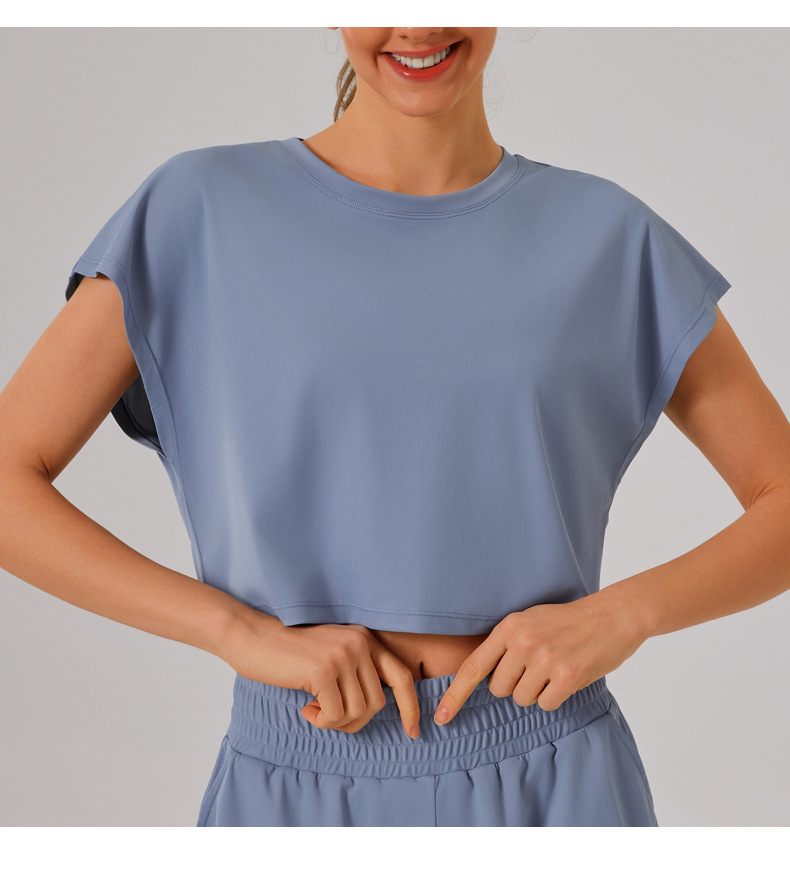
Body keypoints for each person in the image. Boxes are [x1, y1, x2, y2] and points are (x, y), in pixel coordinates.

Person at [1, 26, 789, 828]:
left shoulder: (609, 236)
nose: (417, 26)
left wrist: (627, 614)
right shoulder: (197, 210)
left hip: (557, 778)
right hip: (293, 782)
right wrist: (231, 630)